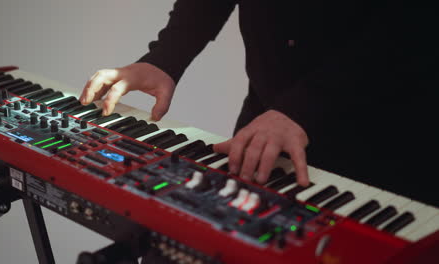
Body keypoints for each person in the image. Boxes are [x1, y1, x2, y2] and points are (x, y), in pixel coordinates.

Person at [79, 1, 437, 205]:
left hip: (388, 141)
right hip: (267, 122)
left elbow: (411, 21)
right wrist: (164, 60)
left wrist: (303, 108)